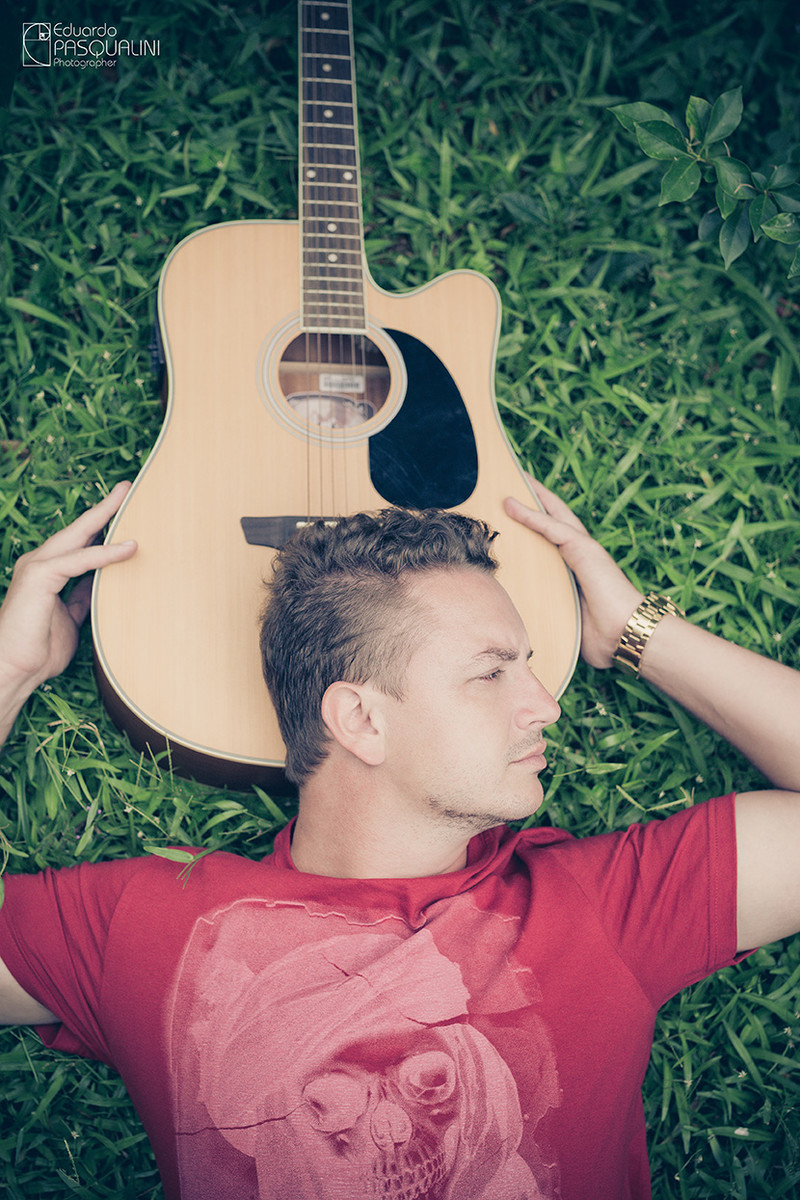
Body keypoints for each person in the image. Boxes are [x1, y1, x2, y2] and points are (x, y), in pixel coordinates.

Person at [0, 477, 797, 1200]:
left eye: (529, 665)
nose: (545, 704)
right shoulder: (152, 930)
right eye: (492, 672)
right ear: (361, 721)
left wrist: (635, 631)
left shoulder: (607, 908)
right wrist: (11, 665)